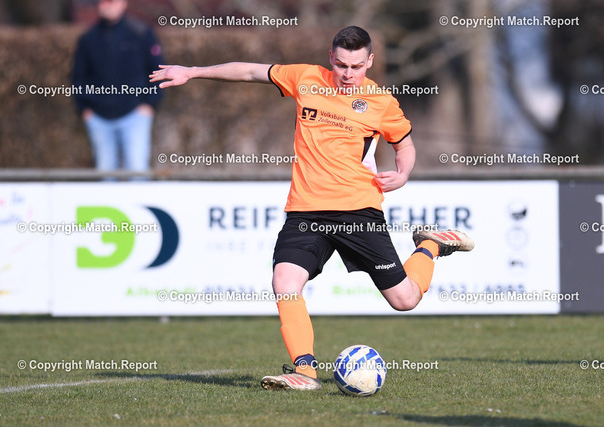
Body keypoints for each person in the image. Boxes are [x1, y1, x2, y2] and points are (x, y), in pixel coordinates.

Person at [150, 26, 474, 391]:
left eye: (356, 66)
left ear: (370, 62)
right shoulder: (306, 78)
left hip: (357, 211)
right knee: (285, 282)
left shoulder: (380, 101)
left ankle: (430, 245)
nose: (348, 74)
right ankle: (304, 371)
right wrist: (193, 71)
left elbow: (405, 145)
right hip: (305, 212)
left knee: (405, 299)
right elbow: (251, 71)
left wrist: (403, 174)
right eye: (341, 65)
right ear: (330, 57)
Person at [72, 0, 163, 177]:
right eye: (104, 1)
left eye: (112, 1)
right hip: (99, 116)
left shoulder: (141, 32)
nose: (108, 5)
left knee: (137, 170)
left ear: (123, 3)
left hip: (135, 114)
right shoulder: (88, 38)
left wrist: (149, 104)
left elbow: (157, 70)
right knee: (106, 172)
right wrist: (85, 109)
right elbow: (78, 77)